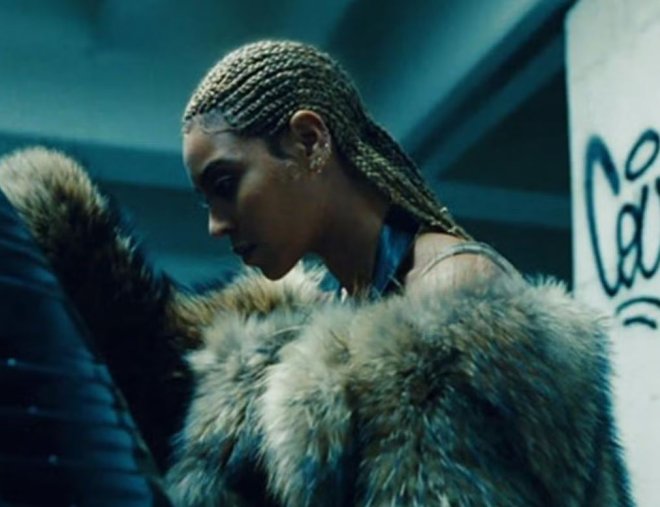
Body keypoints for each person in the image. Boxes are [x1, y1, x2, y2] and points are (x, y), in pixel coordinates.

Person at [0, 40, 632, 506]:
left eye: (226, 184)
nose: (216, 225)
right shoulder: (302, 328)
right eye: (206, 200)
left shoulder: (452, 294)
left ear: (309, 141)